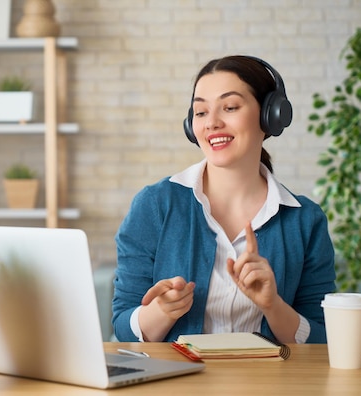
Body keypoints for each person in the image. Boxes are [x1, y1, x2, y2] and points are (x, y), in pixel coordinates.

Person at [112, 55, 336, 344]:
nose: (212, 123)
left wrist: (273, 305)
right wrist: (162, 311)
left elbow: (322, 337)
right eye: (201, 112)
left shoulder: (305, 221)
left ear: (271, 115)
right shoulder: (155, 205)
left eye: (229, 107)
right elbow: (122, 325)